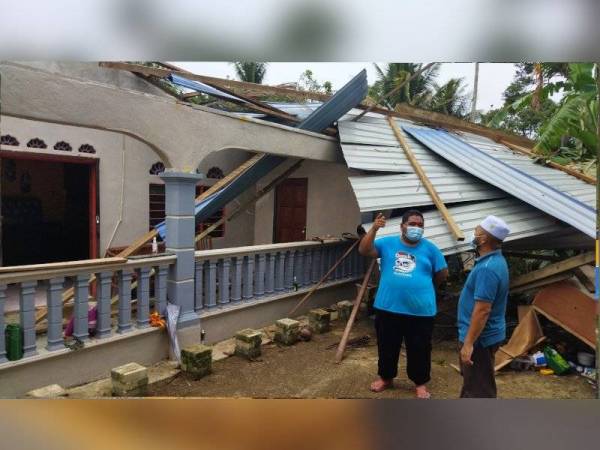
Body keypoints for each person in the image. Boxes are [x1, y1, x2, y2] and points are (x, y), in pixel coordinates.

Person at [359, 210, 448, 399]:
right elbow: (365, 250)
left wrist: (424, 286)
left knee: (420, 348)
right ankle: (386, 378)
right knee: (387, 345)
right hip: (388, 307)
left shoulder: (431, 249)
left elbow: (442, 273)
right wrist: (374, 228)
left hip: (421, 311)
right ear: (402, 226)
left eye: (420, 225)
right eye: (412, 224)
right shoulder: (387, 243)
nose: (416, 228)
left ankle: (420, 383)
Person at [458, 215, 510, 398]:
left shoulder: (488, 268)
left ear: (484, 238)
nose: (474, 232)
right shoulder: (494, 262)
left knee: (479, 391)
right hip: (484, 336)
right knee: (474, 383)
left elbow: (483, 310)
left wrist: (468, 344)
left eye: (477, 230)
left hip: (480, 339)